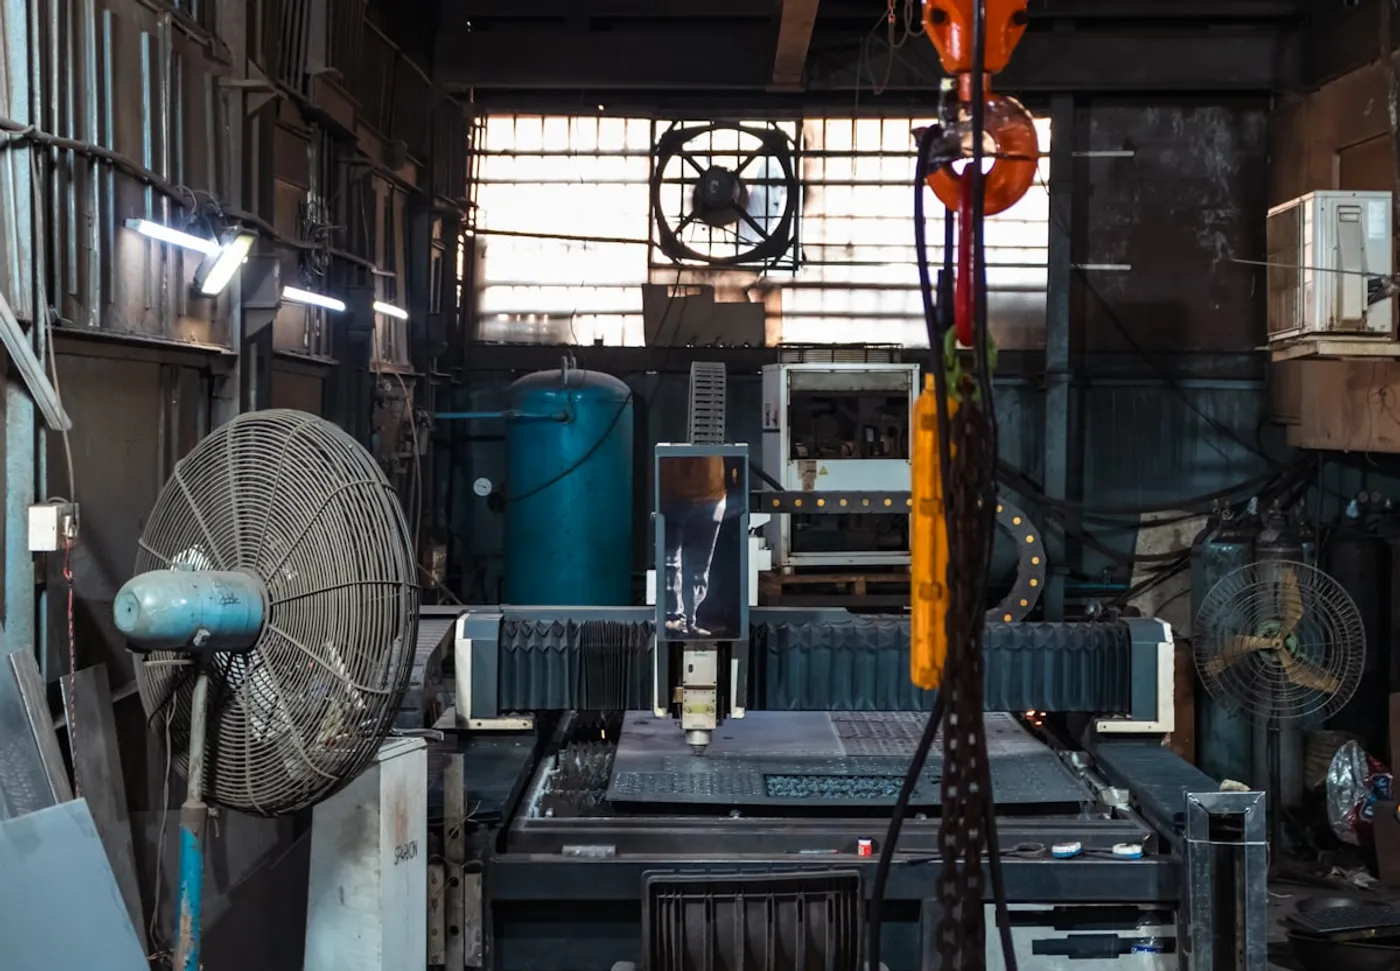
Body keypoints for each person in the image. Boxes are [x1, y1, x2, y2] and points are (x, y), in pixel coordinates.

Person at [659, 455, 733, 637]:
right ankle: (679, 618)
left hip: (703, 495)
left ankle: (683, 619)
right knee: (683, 564)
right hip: (695, 494)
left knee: (685, 564)